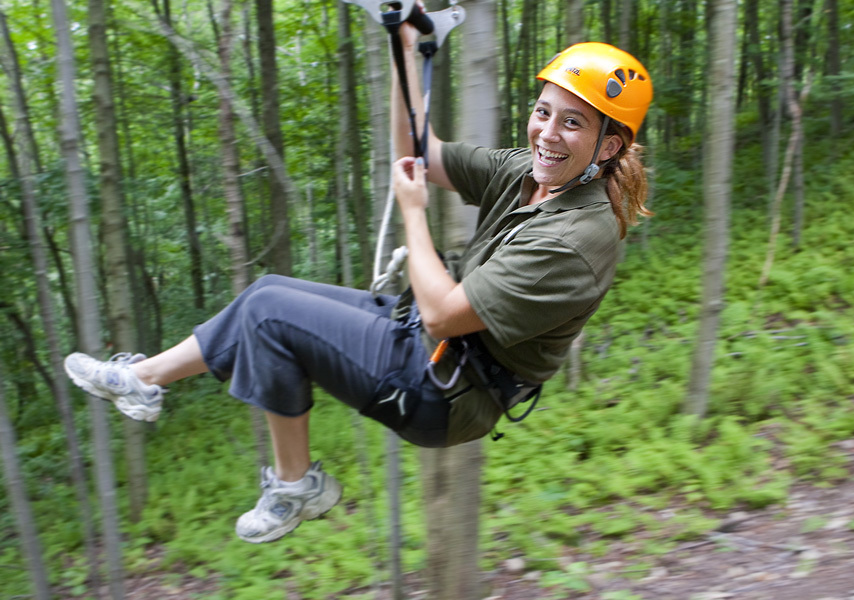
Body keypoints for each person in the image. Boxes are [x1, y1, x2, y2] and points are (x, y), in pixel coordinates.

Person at [63, 21, 653, 544]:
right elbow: (418, 150)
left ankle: (293, 484)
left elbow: (446, 314)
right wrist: (402, 46)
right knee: (264, 295)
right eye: (543, 111)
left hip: (447, 389)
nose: (548, 132)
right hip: (428, 344)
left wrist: (414, 213)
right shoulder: (528, 173)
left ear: (608, 145)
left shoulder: (577, 240)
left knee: (271, 318)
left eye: (572, 123)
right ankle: (142, 380)